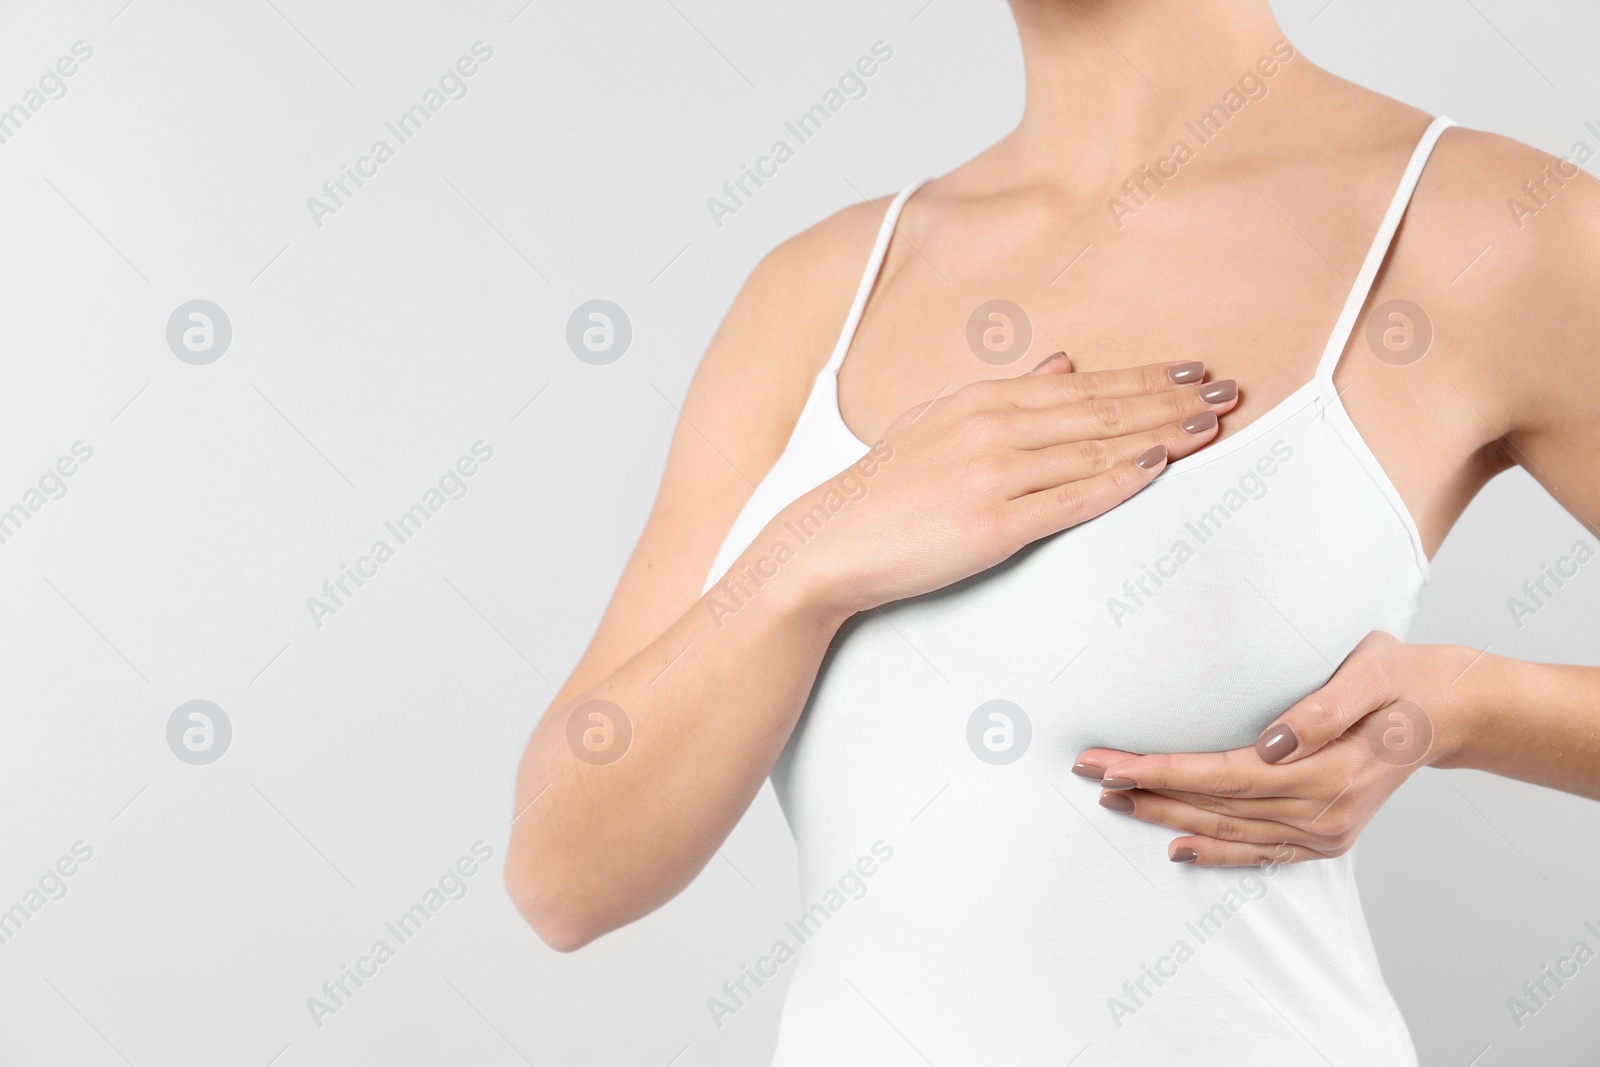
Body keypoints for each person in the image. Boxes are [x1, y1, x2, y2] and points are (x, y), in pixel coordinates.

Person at [506, 1, 1600, 1060]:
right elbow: (564, 874)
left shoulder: (1493, 229)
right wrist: (817, 551)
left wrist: (1463, 705)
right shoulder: (820, 290)